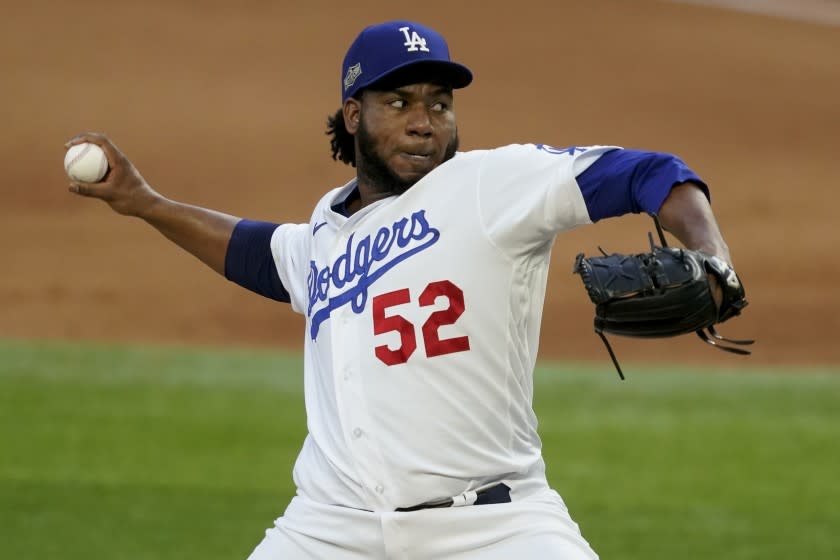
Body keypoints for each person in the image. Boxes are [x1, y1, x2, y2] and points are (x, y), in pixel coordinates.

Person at [67, 20, 736, 560]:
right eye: (400, 102)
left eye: (438, 104)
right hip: (330, 527)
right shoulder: (326, 232)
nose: (425, 121)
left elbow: (649, 173)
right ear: (353, 114)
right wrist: (144, 202)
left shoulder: (491, 185)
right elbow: (258, 253)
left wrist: (713, 257)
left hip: (494, 528)